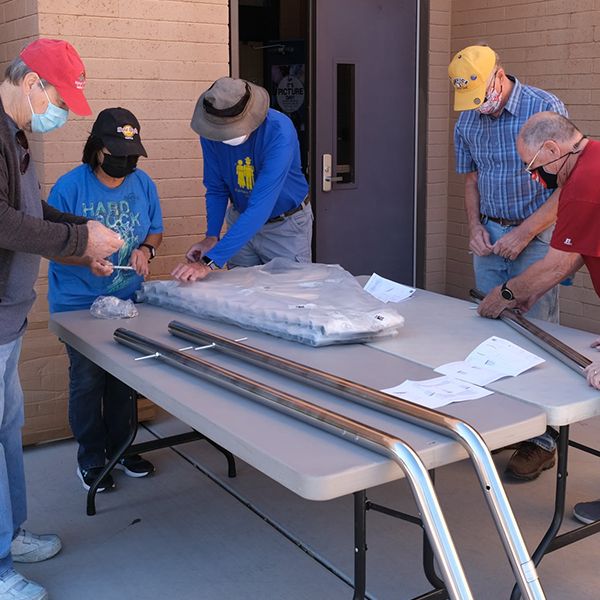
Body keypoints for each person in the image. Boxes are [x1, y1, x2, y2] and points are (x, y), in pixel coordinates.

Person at [0, 40, 123, 600]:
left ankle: (10, 535)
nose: (59, 113)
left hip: (9, 316)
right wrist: (80, 237)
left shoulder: (14, 136)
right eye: (58, 98)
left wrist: (81, 243)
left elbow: (34, 213)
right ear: (32, 85)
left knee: (7, 432)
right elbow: (4, 223)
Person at [448, 45, 568, 480]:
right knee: (490, 327)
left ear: (498, 76)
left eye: (484, 94)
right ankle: (501, 426)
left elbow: (563, 186)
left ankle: (543, 439)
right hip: (492, 235)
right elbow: (471, 180)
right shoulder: (468, 119)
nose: (481, 107)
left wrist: (526, 232)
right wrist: (475, 227)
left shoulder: (543, 108)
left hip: (536, 236)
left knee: (537, 332)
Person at [477, 111, 600, 523]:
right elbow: (580, 253)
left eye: (535, 168)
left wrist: (507, 293)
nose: (535, 178)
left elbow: (556, 265)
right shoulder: (593, 159)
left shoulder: (583, 185)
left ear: (552, 149)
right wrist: (532, 293)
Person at [47, 108, 163, 493]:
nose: (125, 162)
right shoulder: (69, 188)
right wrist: (85, 257)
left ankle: (123, 448)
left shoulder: (142, 183)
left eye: (131, 154)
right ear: (97, 150)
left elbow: (156, 231)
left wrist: (146, 249)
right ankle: (92, 457)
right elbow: (51, 245)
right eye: (117, 153)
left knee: (122, 379)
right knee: (87, 379)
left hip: (125, 300)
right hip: (78, 303)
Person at [171, 77, 311, 282]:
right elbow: (216, 189)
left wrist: (209, 261)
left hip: (285, 226)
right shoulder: (210, 130)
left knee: (289, 295)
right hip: (239, 220)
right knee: (242, 295)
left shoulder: (279, 130)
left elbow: (261, 206)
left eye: (231, 128)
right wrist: (211, 237)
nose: (224, 135)